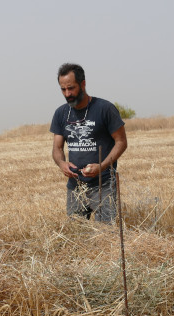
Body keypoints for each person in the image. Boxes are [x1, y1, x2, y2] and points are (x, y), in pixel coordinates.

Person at [50, 63, 128, 222]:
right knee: (76, 236)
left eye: (71, 88)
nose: (67, 93)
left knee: (105, 235)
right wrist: (61, 164)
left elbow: (121, 142)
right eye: (63, 89)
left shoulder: (105, 109)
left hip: (104, 185)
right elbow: (57, 148)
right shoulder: (61, 113)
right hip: (75, 187)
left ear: (83, 84)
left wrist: (102, 166)